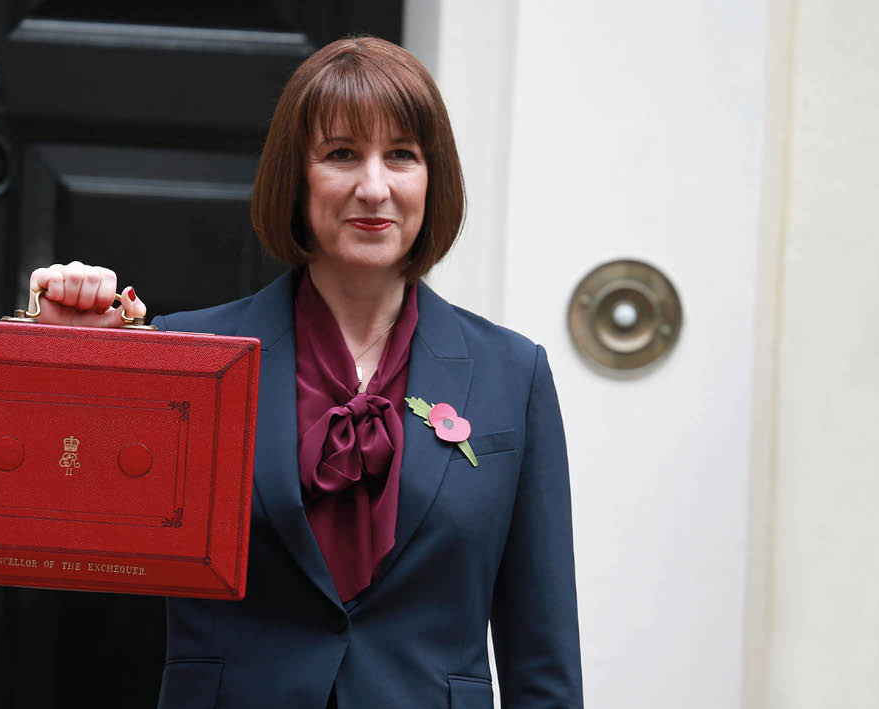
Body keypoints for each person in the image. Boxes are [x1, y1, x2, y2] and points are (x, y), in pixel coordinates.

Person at [29, 36, 582, 709]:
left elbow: (542, 657)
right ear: (296, 176)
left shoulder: (512, 373)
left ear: (431, 177)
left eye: (401, 155)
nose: (372, 187)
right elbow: (48, 513)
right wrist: (60, 353)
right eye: (341, 153)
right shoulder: (188, 354)